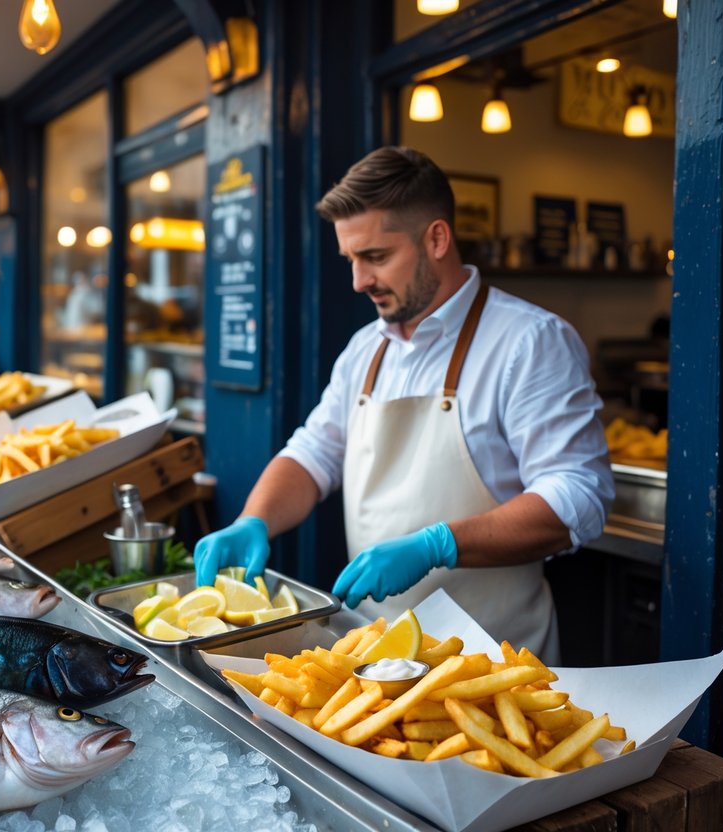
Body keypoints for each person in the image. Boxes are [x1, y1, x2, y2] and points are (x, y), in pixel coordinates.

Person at [193, 147, 613, 660]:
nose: (358, 281)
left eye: (376, 257)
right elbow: (313, 454)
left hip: (493, 669)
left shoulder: (531, 342)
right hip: (374, 660)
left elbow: (578, 497)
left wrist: (440, 544)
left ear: (436, 238)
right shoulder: (366, 349)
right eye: (351, 260)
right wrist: (253, 519)